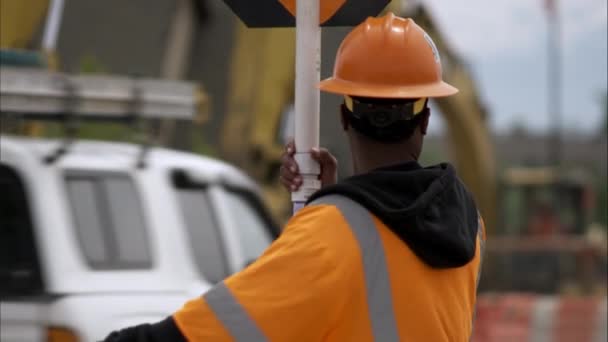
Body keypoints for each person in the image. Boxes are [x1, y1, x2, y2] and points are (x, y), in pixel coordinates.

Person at [103, 13, 485, 342]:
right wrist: (337, 198)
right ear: (425, 119)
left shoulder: (335, 232)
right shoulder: (467, 222)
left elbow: (207, 333)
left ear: (344, 117)